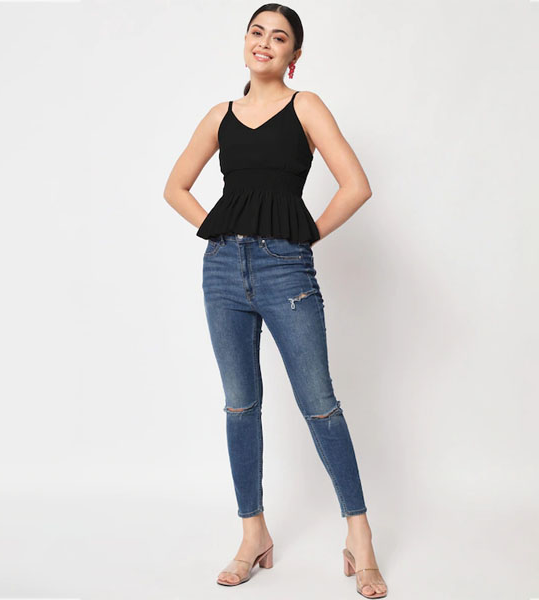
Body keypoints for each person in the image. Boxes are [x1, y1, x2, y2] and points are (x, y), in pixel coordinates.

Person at [163, 4, 388, 598]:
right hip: (221, 271)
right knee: (240, 406)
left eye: (279, 37)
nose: (264, 42)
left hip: (285, 269)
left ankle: (359, 536)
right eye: (257, 32)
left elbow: (357, 185)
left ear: (294, 55)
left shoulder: (305, 106)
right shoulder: (220, 115)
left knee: (320, 404)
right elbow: (174, 187)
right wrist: (218, 228)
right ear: (245, 42)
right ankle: (252, 533)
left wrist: (305, 235)